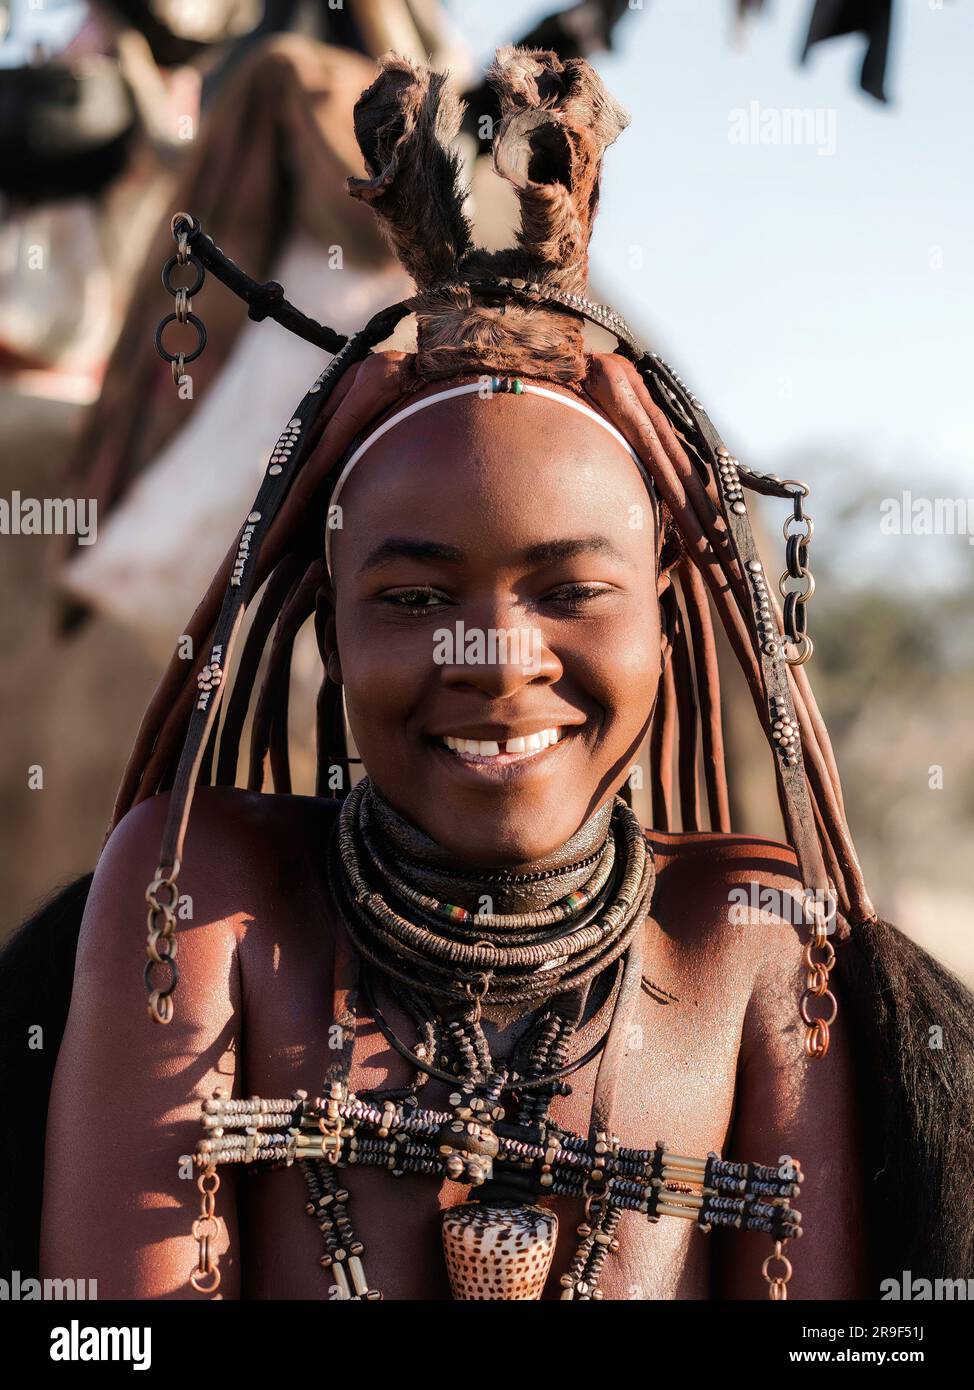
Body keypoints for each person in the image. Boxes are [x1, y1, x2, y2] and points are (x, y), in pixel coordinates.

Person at [14, 47, 974, 1301]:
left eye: (572, 591)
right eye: (413, 598)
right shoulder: (195, 897)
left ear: (671, 626)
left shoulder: (754, 946)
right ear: (326, 630)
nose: (500, 662)